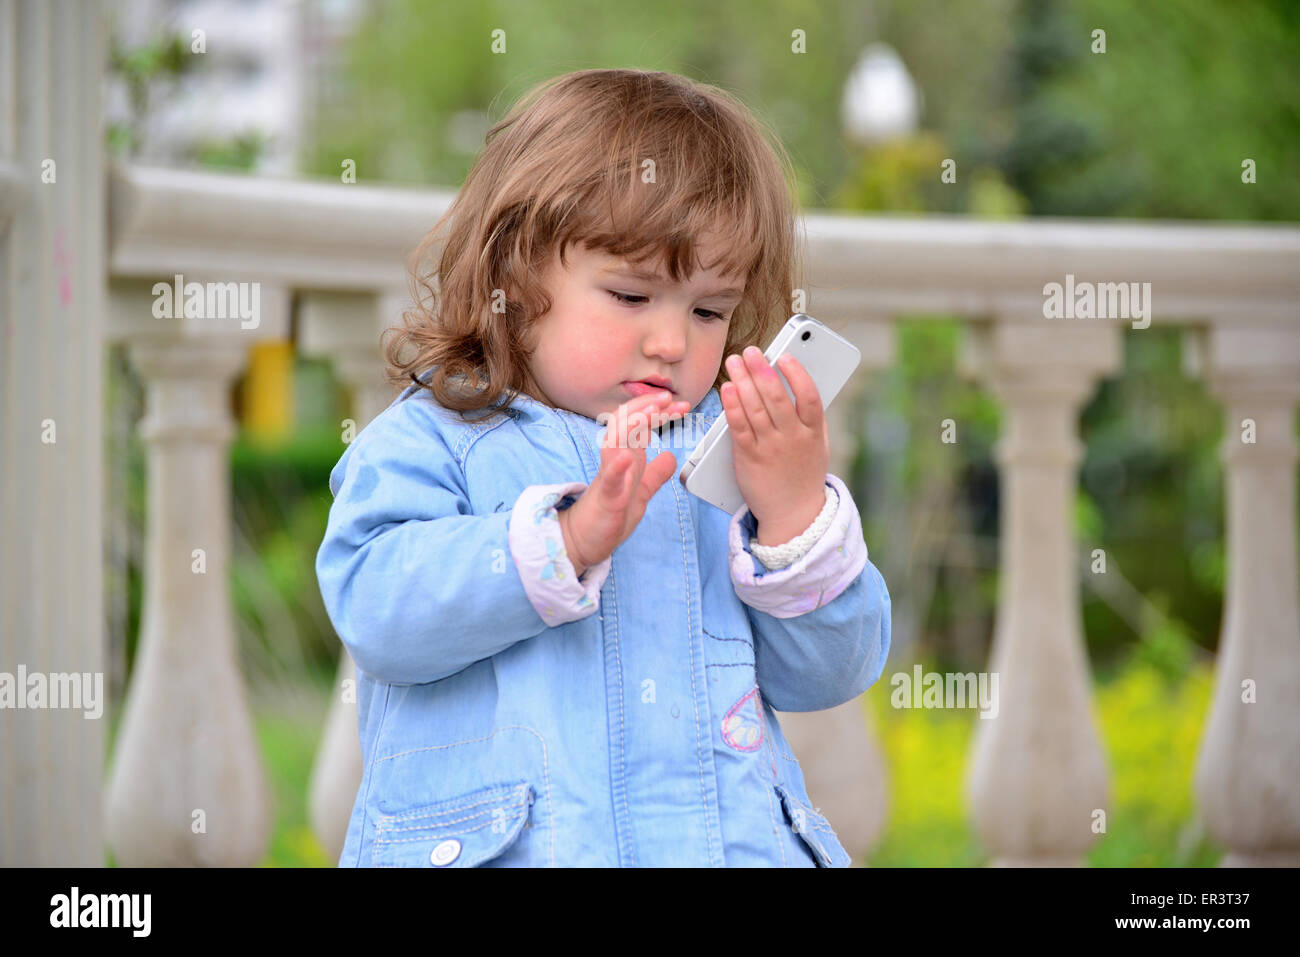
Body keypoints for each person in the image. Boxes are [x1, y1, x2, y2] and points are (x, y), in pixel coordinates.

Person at [315, 68, 891, 867]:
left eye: (709, 310)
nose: (672, 341)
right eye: (630, 295)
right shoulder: (436, 438)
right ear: (514, 276)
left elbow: (831, 672)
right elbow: (377, 610)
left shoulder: (729, 455)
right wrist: (567, 540)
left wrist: (795, 521)